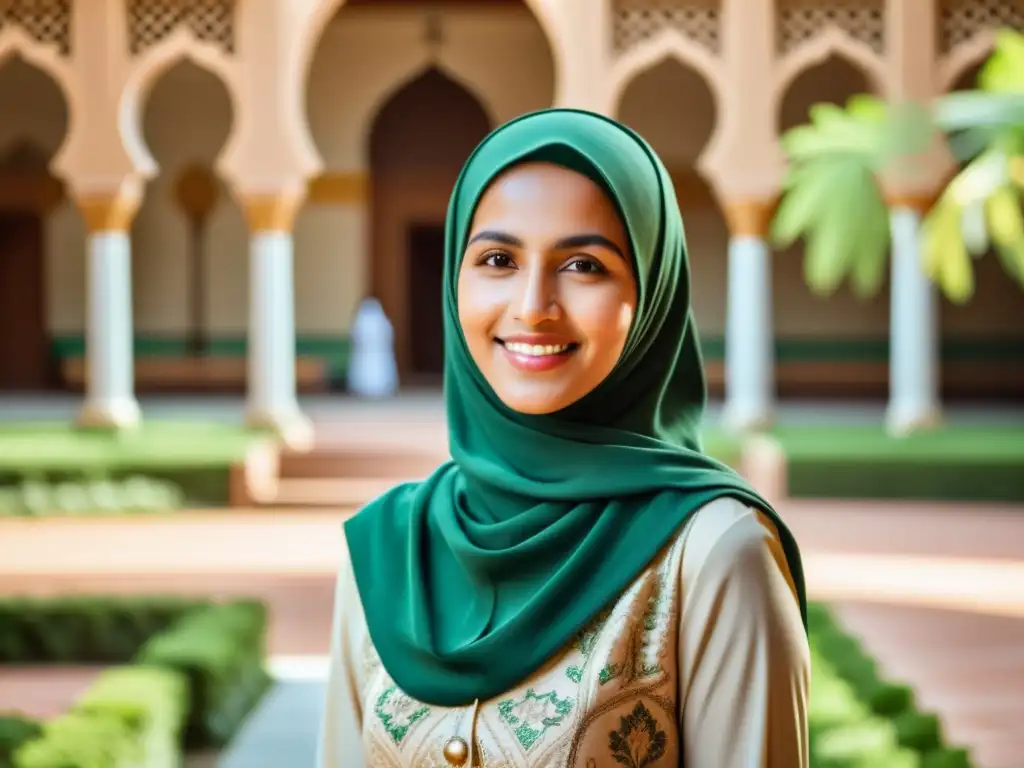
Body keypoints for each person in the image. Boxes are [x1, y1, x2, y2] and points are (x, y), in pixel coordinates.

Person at [318, 108, 809, 767]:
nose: (531, 306)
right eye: (497, 259)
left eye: (583, 265)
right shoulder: (386, 550)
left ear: (652, 291)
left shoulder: (714, 553)